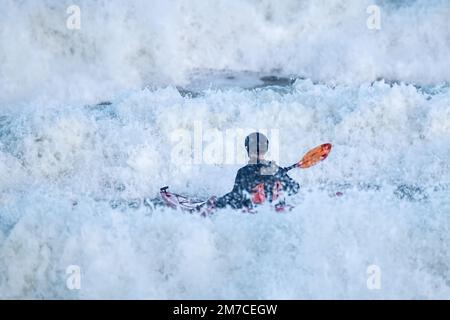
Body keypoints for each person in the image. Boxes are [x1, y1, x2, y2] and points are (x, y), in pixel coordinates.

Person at [213, 132, 300, 209]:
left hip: (255, 215)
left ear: (248, 150)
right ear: (265, 149)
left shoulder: (244, 172)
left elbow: (235, 198)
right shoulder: (275, 169)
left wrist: (216, 202)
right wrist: (279, 176)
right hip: (276, 213)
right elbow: (295, 188)